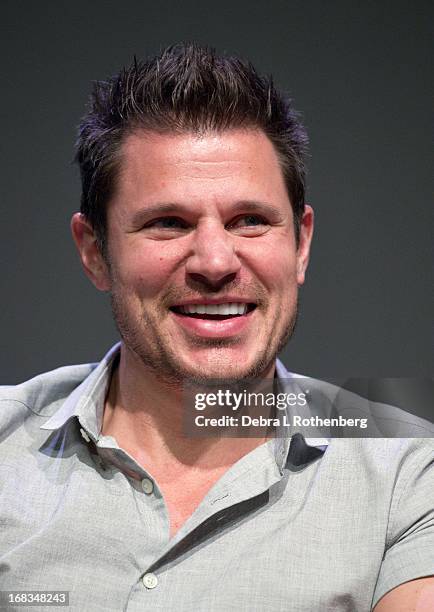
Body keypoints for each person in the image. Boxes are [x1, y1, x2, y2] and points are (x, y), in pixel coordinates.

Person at [0, 43, 433, 611]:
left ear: (301, 243)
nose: (214, 261)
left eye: (250, 221)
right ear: (95, 253)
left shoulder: (408, 471)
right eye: (168, 223)